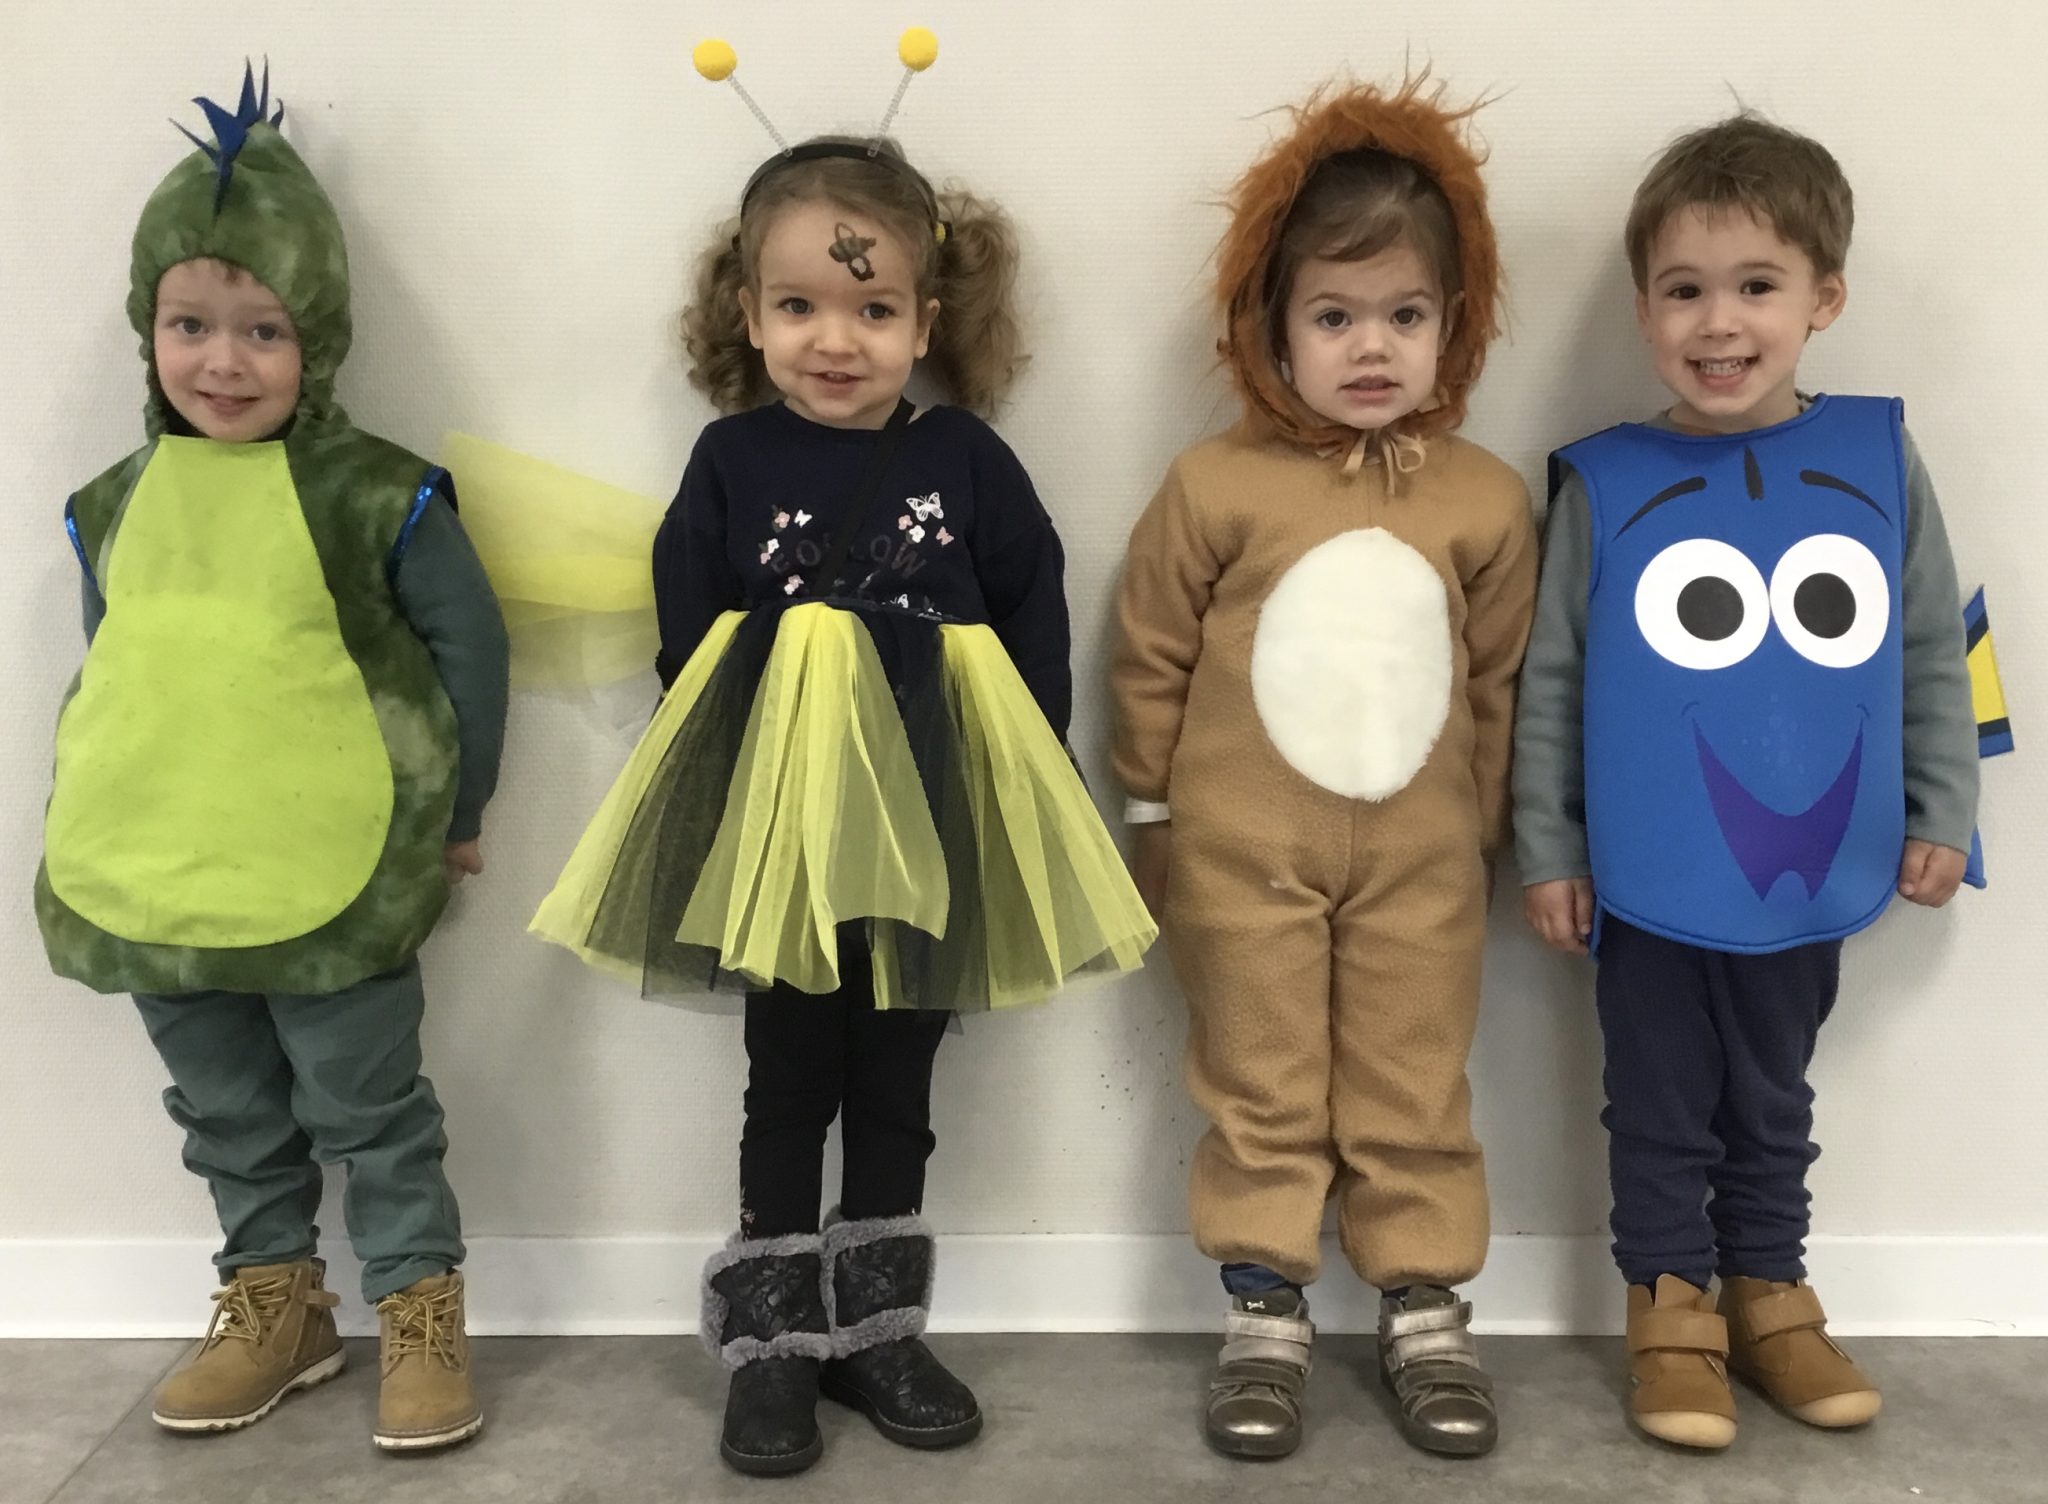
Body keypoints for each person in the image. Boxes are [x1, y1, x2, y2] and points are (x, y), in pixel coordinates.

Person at [528, 122, 1154, 1475]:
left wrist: (1029, 776)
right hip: (787, 834)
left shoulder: (967, 459)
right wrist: (749, 772)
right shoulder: (730, 461)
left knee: (899, 1075)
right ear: (749, 314)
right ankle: (773, 1340)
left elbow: (1034, 611)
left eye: (874, 309)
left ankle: (879, 1328)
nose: (837, 338)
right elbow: (693, 636)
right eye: (802, 304)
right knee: (787, 1074)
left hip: (933, 813)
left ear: (925, 321)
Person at [36, 65, 508, 1452]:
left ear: (320, 339)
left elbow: (472, 653)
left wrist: (461, 807)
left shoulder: (377, 492)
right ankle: (275, 1302)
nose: (223, 363)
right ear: (148, 332)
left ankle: (417, 1303)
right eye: (189, 325)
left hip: (332, 871)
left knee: (370, 1101)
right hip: (153, 867)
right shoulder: (113, 501)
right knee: (225, 1107)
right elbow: (118, 667)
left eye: (263, 330)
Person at [1512, 112, 1980, 1449]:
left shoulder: (1880, 461)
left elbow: (1931, 647)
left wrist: (1944, 805)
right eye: (1684, 290)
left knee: (1774, 1091)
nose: (1718, 323)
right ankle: (1669, 1305)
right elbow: (1554, 679)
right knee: (1659, 1093)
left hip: (1816, 857)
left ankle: (1771, 1291)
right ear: (1644, 308)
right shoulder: (1604, 484)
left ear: (1825, 297)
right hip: (1649, 868)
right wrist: (1550, 844)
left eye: (1757, 285)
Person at [1111, 77, 1536, 1460]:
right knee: (1262, 1074)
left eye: (1405, 317)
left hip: (1423, 859)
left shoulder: (1483, 499)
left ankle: (1426, 1305)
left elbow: (1502, 679)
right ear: (1271, 326)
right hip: (1241, 851)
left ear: (1453, 326)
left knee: (1415, 1076)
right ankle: (1263, 1309)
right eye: (1335, 317)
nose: (1371, 348)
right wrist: (1149, 807)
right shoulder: (1215, 485)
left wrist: (1492, 828)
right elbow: (1149, 650)